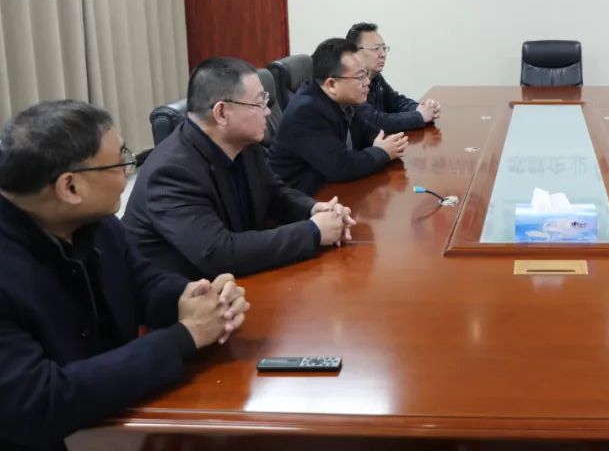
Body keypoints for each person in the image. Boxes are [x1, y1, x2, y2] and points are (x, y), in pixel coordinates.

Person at [0, 100, 249, 451]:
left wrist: (195, 297)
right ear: (70, 188)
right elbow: (39, 402)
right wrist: (185, 336)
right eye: (121, 162)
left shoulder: (96, 223)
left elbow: (141, 282)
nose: (128, 175)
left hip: (118, 419)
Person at [124, 57, 355, 279]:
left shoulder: (243, 144)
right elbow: (218, 252)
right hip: (182, 295)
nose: (267, 111)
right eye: (259, 103)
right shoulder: (171, 172)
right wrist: (312, 231)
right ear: (222, 113)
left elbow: (275, 194)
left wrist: (314, 210)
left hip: (235, 283)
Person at [269, 38, 409, 195]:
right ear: (332, 84)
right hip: (299, 199)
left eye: (366, 74)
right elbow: (341, 166)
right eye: (360, 77)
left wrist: (385, 143)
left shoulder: (342, 100)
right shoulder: (306, 112)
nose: (367, 82)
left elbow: (368, 133)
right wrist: (381, 152)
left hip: (329, 189)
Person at [346, 21, 440, 131]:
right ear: (355, 52)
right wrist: (420, 116)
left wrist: (422, 108)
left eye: (384, 48)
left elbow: (396, 102)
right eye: (376, 49)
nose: (383, 54)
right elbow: (375, 121)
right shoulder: (349, 82)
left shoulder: (375, 76)